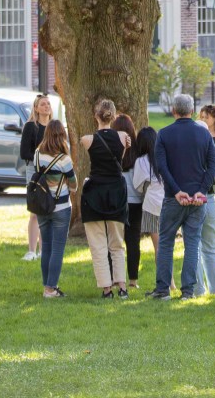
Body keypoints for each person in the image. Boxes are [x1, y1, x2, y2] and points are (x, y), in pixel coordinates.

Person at [147, 94, 215, 301]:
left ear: (173, 111)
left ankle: (162, 289)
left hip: (173, 198)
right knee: (192, 243)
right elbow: (213, 165)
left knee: (166, 242)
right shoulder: (204, 134)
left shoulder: (164, 134)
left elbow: (162, 167)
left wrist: (176, 191)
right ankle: (188, 290)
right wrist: (202, 190)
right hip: (196, 199)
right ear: (192, 111)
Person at [80, 99, 130, 300]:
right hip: (116, 192)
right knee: (117, 243)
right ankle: (123, 286)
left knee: (98, 244)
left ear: (96, 116)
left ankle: (106, 288)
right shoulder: (123, 137)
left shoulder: (87, 139)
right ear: (114, 116)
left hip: (94, 193)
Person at [34, 120, 78, 298]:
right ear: (62, 136)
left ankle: (47, 285)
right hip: (60, 206)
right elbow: (73, 184)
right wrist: (69, 185)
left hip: (41, 205)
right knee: (58, 248)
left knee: (46, 247)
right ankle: (50, 288)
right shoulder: (64, 159)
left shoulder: (37, 154)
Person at [132, 127, 173, 291]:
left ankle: (166, 284)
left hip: (151, 206)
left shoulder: (141, 161)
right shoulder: (166, 155)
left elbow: (138, 186)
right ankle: (171, 282)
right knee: (167, 245)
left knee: (159, 247)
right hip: (169, 202)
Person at [19, 94, 53, 261]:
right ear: (36, 108)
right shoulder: (31, 127)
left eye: (48, 103)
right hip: (34, 169)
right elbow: (24, 153)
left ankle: (43, 249)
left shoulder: (54, 127)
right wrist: (42, 158)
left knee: (49, 209)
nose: (47, 106)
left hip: (53, 170)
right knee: (35, 210)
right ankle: (32, 250)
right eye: (43, 104)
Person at [193, 119, 215, 297]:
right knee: (210, 246)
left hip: (193, 197)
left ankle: (198, 289)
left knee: (194, 244)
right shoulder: (212, 151)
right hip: (210, 197)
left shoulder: (190, 152)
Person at [112, 113, 143, 289]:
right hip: (136, 200)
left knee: (115, 242)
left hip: (117, 200)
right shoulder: (138, 149)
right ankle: (133, 280)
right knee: (133, 241)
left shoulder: (113, 149)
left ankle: (116, 279)